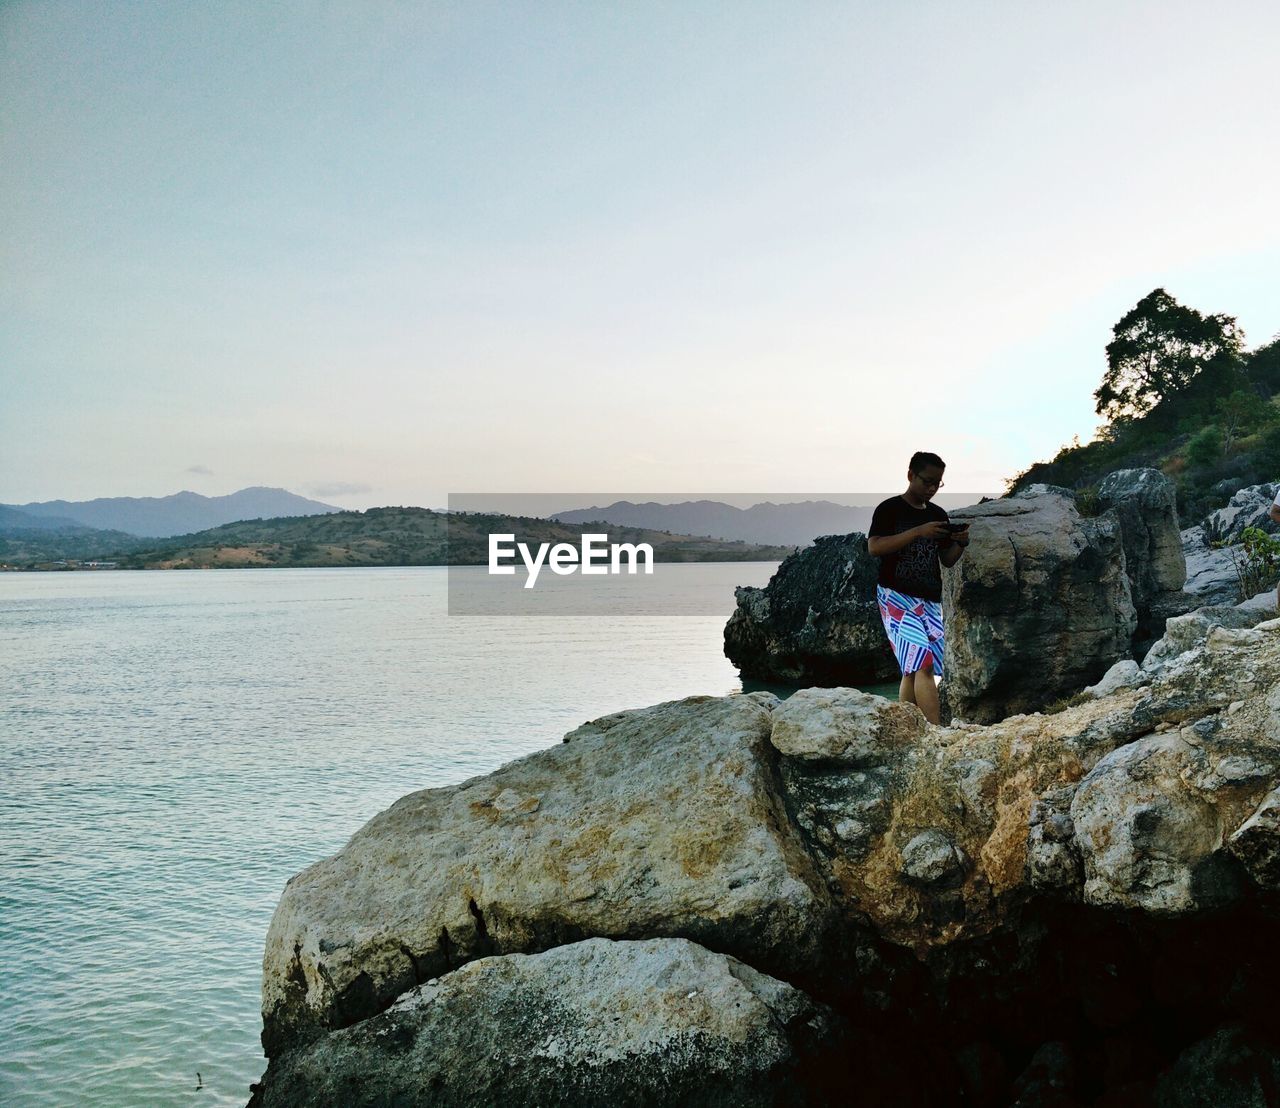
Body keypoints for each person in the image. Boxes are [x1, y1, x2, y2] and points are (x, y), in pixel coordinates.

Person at [866, 451, 969, 724]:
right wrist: (918, 532)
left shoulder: (938, 514)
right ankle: (935, 734)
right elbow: (874, 547)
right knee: (922, 664)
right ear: (910, 475)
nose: (932, 488)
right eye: (927, 481)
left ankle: (907, 726)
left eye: (938, 483)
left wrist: (960, 542)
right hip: (895, 598)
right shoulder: (889, 509)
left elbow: (947, 561)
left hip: (930, 601)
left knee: (914, 668)